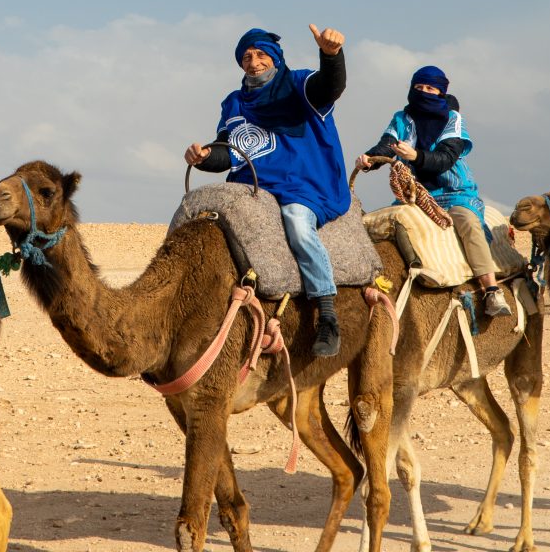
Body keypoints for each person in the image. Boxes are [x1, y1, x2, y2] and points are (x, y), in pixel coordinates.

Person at [185, 24, 351, 357]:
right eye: (246, 57)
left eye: (261, 54)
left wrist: (331, 55)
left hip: (301, 186)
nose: (254, 62)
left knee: (297, 224)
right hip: (252, 188)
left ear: (274, 58)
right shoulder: (234, 103)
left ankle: (326, 314)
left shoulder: (300, 85)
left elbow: (330, 87)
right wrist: (204, 157)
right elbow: (229, 151)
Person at [355, 66, 511, 317]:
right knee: (382, 225)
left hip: (454, 192)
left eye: (430, 88)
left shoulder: (452, 119)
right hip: (415, 195)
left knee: (469, 223)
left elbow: (447, 157)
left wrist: (415, 156)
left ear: (440, 92)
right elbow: (386, 146)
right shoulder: (402, 119)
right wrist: (369, 159)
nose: (424, 92)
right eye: (419, 87)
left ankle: (491, 289)